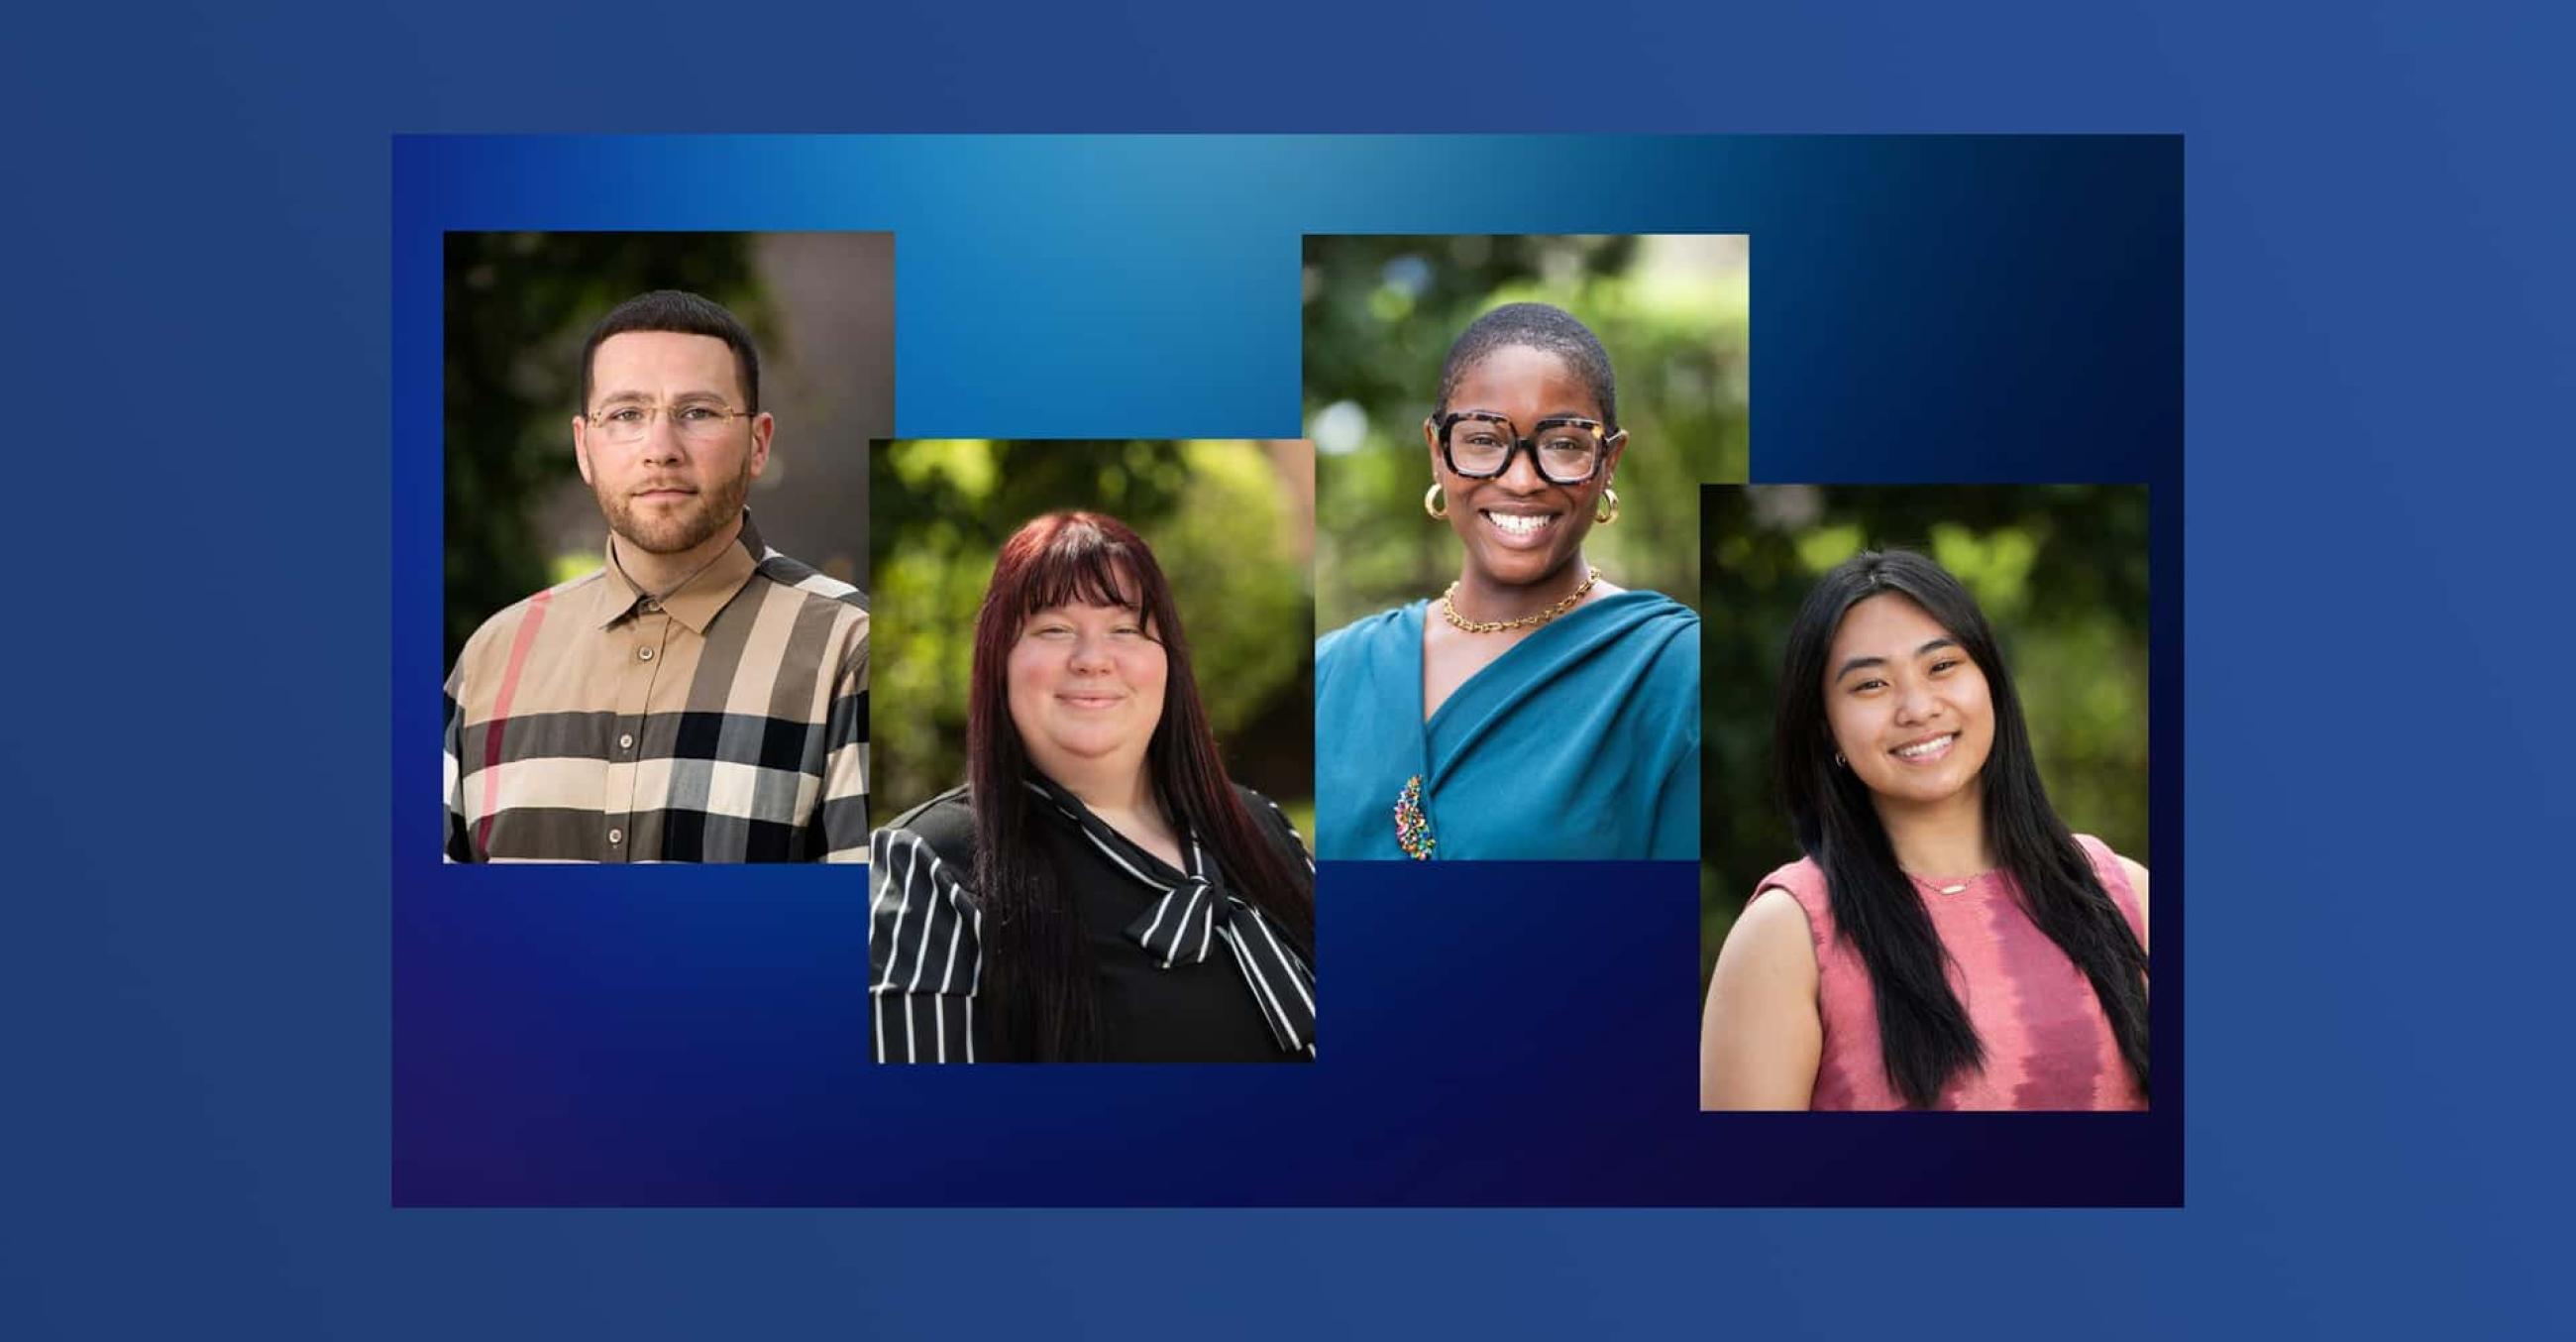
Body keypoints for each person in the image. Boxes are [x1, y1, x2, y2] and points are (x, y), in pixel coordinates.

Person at [1698, 550, 2150, 1110]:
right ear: (1827, 730)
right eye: (1870, 685)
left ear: (1991, 684)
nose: (1916, 708)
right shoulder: (1786, 936)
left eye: (1942, 667)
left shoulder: (2123, 895)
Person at [869, 512, 1316, 1062]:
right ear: (999, 662)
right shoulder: (929, 863)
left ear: (1168, 660)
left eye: (1126, 629)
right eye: (1054, 630)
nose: (1092, 661)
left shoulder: (1263, 826)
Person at [444, 289, 870, 862]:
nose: (660, 449)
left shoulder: (847, 647)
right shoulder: (493, 657)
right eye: (626, 415)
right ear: (584, 448)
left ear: (758, 443)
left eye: (697, 413)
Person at [1314, 303, 1699, 860]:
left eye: (1564, 444)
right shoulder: (1337, 670)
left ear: (1609, 460)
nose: (1521, 480)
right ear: (1437, 451)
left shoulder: (1671, 669)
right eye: (1482, 440)